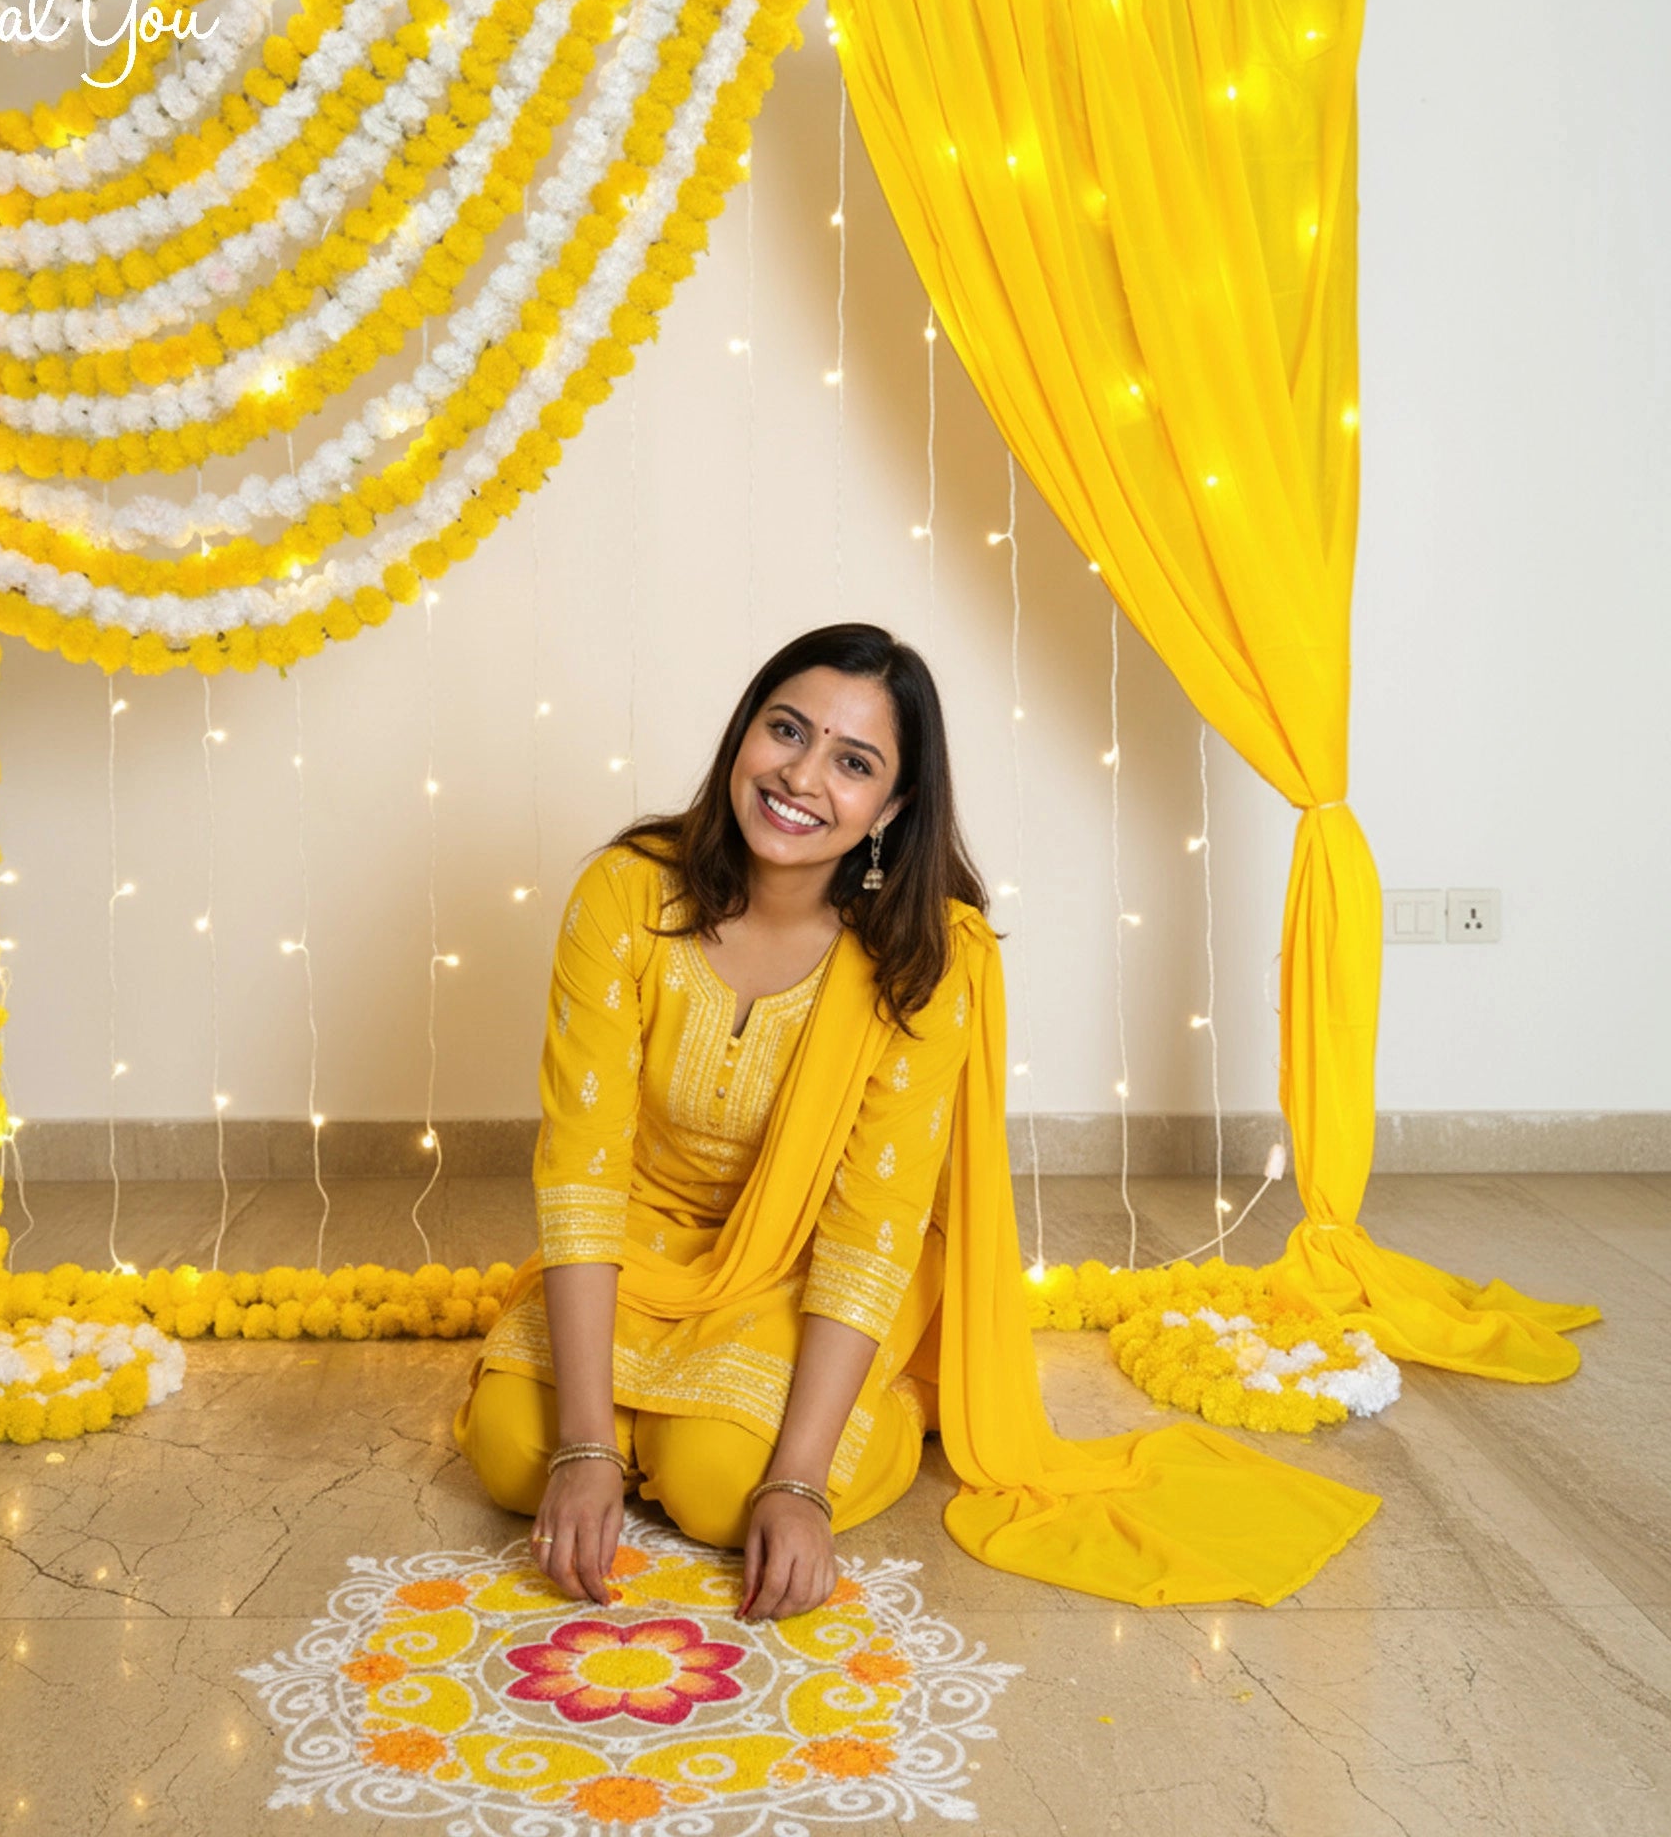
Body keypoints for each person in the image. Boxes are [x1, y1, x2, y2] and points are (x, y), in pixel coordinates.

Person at [456, 623, 1381, 1618]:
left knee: (724, 1482)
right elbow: (582, 1171)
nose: (801, 775)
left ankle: (892, 1399)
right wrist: (590, 1444)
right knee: (515, 1455)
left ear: (890, 805)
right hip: (639, 1245)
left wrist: (799, 1481)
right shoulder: (624, 894)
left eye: (851, 762)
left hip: (808, 1268)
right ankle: (640, 1422)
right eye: (785, 730)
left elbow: (868, 1221)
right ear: (740, 737)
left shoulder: (924, 957)